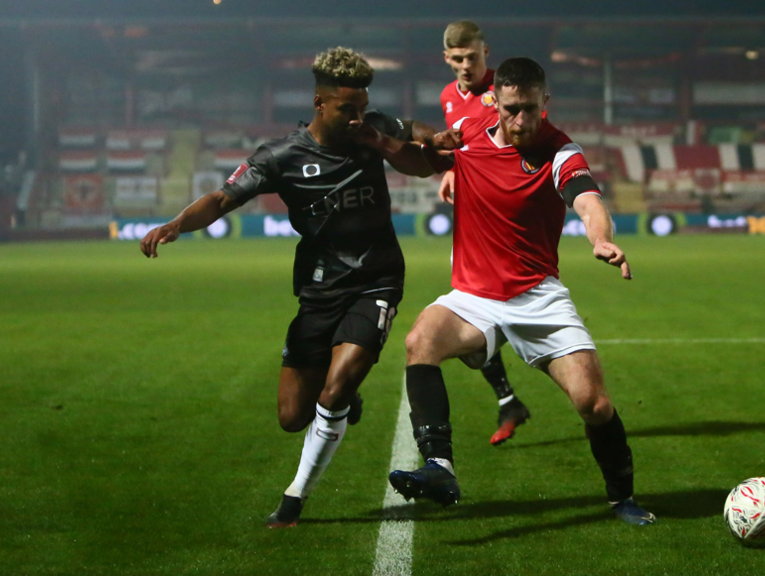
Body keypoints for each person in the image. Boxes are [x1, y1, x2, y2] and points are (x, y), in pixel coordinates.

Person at [140, 47, 454, 528]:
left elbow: (418, 140)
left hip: (377, 279)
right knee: (292, 416)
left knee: (334, 391)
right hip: (319, 288)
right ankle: (346, 401)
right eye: (347, 109)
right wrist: (178, 224)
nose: (357, 117)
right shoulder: (281, 156)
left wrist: (429, 137)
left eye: (362, 107)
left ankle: (293, 500)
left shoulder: (371, 130)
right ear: (319, 103)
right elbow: (224, 197)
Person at [388, 57, 656, 525]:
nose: (520, 120)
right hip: (474, 296)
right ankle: (439, 468)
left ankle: (623, 498)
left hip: (538, 295)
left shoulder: (559, 151)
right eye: (511, 108)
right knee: (420, 340)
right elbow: (419, 162)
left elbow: (589, 200)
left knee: (592, 404)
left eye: (530, 108)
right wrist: (428, 147)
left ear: (544, 102)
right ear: (497, 103)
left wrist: (601, 238)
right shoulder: (468, 133)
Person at [432, 19, 533, 446]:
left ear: (485, 52)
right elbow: (465, 145)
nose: (464, 66)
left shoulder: (506, 92)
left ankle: (514, 389)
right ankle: (508, 399)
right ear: (446, 59)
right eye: (456, 59)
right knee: (472, 345)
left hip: (509, 224)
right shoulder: (447, 98)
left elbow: (529, 138)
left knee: (484, 325)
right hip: (471, 228)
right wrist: (453, 169)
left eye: (471, 57)